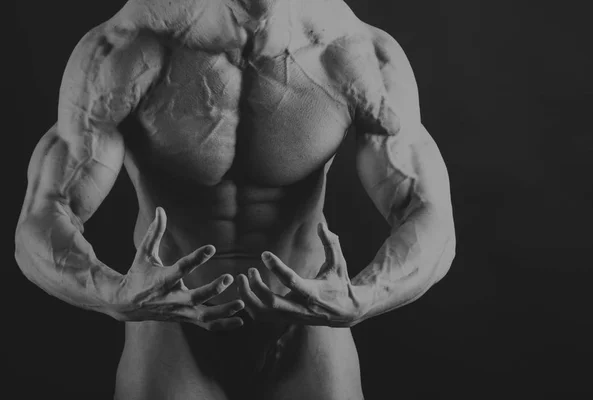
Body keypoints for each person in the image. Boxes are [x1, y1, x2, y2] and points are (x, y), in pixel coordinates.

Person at [14, 0, 456, 398]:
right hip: (175, 325)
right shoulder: (123, 51)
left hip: (307, 322)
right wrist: (111, 293)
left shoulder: (354, 54)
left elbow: (429, 213)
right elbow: (42, 215)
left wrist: (365, 297)